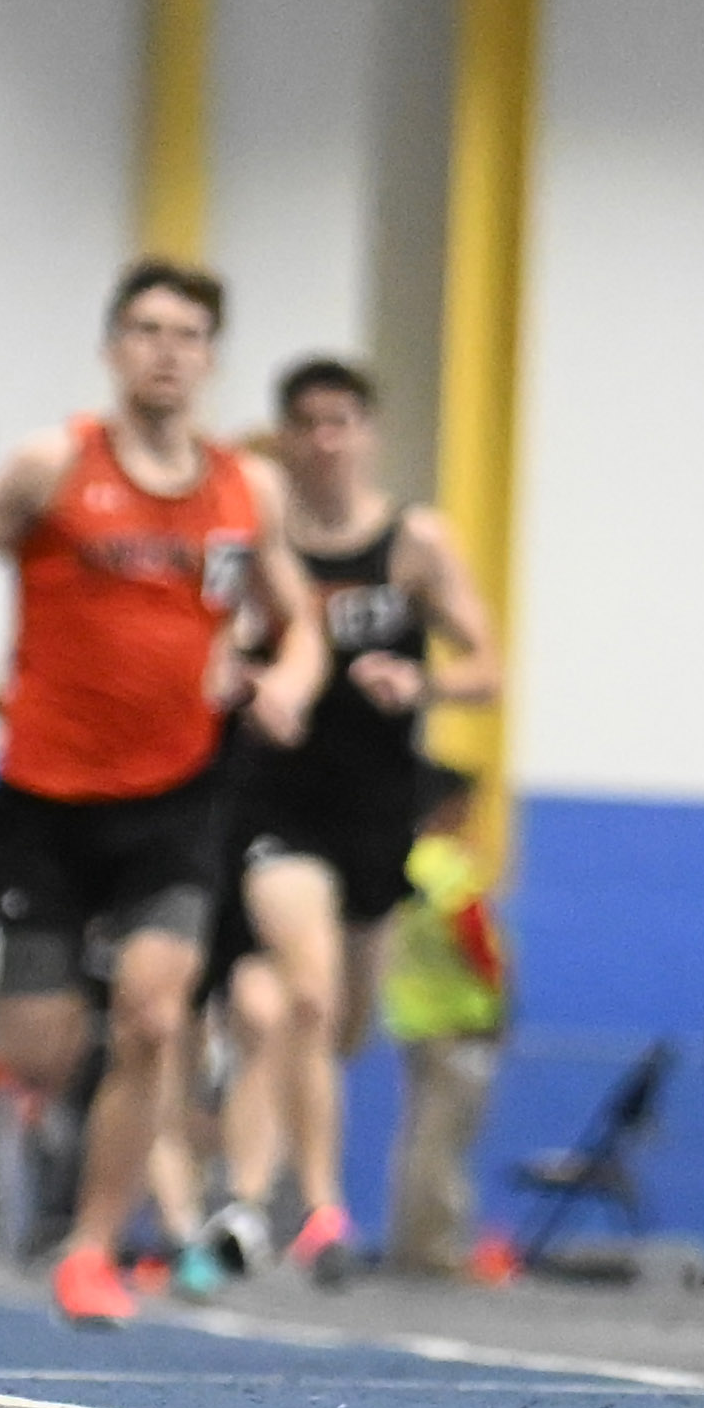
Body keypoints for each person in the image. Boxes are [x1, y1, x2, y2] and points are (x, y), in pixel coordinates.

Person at [0, 260, 326, 1328]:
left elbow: (299, 618)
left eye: (186, 332)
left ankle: (92, 1248)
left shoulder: (245, 489)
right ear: (112, 346)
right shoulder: (51, 465)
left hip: (174, 799)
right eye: (145, 329)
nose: (165, 349)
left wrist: (288, 683)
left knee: (152, 1014)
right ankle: (26, 1117)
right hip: (43, 794)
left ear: (211, 355)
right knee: (39, 1047)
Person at [194, 357, 499, 1289]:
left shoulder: (413, 543)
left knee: (342, 1024)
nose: (325, 440)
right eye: (308, 423)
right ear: (285, 437)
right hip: (274, 803)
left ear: (366, 433)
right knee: (304, 996)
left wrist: (423, 681)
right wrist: (239, 680)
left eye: (342, 422)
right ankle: (299, 1206)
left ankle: (257, 1178)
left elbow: (487, 666)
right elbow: (198, 645)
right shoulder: (252, 541)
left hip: (374, 814)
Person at [380, 766, 511, 1277]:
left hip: (414, 1018)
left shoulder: (408, 864)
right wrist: (498, 1001)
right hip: (458, 1021)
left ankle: (412, 1239)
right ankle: (434, 1248)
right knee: (446, 1141)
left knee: (419, 1137)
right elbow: (477, 943)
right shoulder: (453, 869)